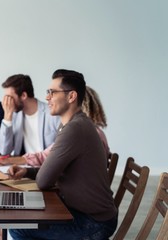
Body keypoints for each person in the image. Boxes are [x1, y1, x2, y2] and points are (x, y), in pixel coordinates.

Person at [8, 69, 118, 239]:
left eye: (52, 92)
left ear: (71, 96)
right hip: (86, 214)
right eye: (48, 92)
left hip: (93, 223)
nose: (47, 98)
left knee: (18, 228)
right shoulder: (74, 125)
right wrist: (27, 171)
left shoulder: (74, 129)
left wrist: (37, 174)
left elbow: (44, 181)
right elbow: (53, 171)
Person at [0, 85, 110, 166]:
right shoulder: (95, 132)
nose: (49, 99)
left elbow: (48, 160)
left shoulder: (78, 133)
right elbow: (45, 155)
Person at [0, 74, 60, 157]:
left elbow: (60, 150)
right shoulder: (15, 115)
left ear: (23, 95)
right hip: (24, 166)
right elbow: (4, 151)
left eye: (9, 97)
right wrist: (7, 117)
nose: (6, 102)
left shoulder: (53, 113)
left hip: (46, 166)